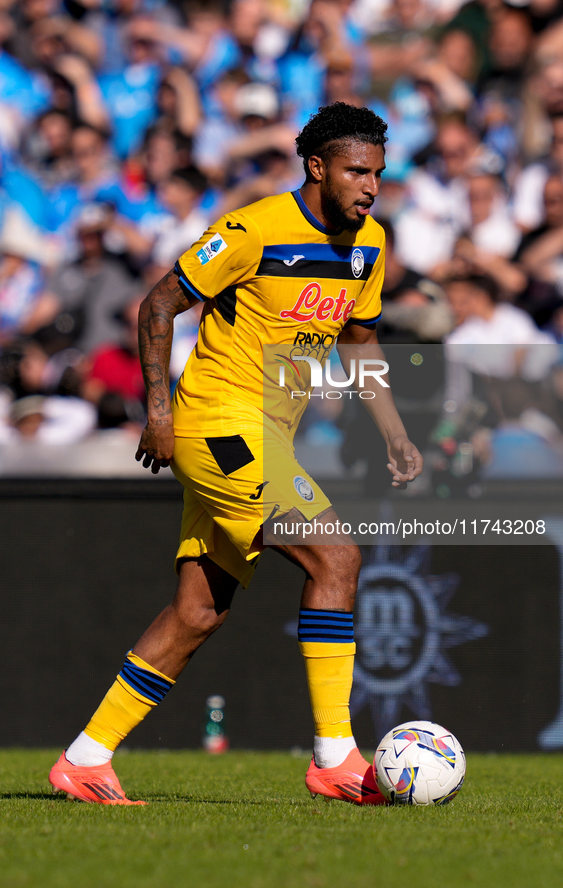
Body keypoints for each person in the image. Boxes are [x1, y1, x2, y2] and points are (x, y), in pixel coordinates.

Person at [48, 102, 423, 806]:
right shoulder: (251, 230)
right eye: (356, 171)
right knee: (335, 555)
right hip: (219, 423)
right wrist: (157, 412)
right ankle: (335, 756)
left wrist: (394, 432)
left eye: (377, 172)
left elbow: (361, 340)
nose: (370, 186)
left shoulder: (369, 244)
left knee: (199, 611)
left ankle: (84, 759)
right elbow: (158, 305)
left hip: (265, 436)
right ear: (316, 168)